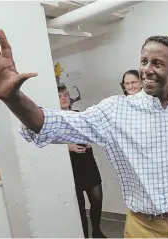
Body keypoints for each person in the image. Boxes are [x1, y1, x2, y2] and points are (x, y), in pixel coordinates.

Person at [0, 24, 168, 238]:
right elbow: (54, 123)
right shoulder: (115, 111)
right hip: (145, 227)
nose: (147, 70)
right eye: (144, 61)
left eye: (157, 63)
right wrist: (13, 98)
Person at [58, 83, 106, 238]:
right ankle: (83, 235)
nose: (64, 98)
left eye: (65, 94)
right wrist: (67, 147)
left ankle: (96, 231)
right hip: (71, 166)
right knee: (79, 206)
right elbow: (49, 144)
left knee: (97, 199)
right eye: (59, 96)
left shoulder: (81, 114)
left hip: (87, 161)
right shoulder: (55, 120)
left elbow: (92, 133)